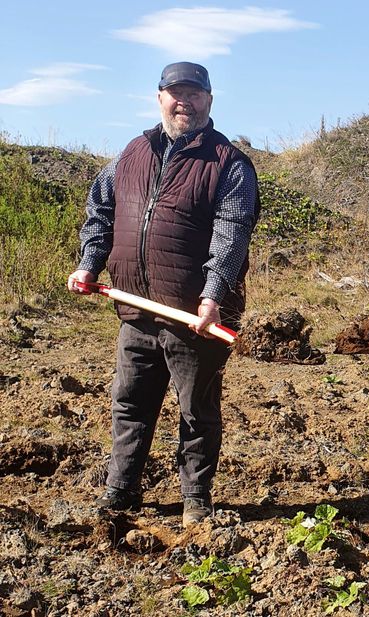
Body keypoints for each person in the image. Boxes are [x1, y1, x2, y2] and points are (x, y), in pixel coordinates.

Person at [67, 62, 259, 527]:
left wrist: (213, 296)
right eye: (175, 93)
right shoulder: (133, 153)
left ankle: (196, 498)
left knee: (196, 409)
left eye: (194, 94)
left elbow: (230, 237)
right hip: (136, 310)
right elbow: (101, 210)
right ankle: (121, 489)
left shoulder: (228, 163)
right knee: (129, 403)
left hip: (196, 318)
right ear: (159, 98)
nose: (183, 102)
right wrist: (90, 262)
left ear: (209, 101)